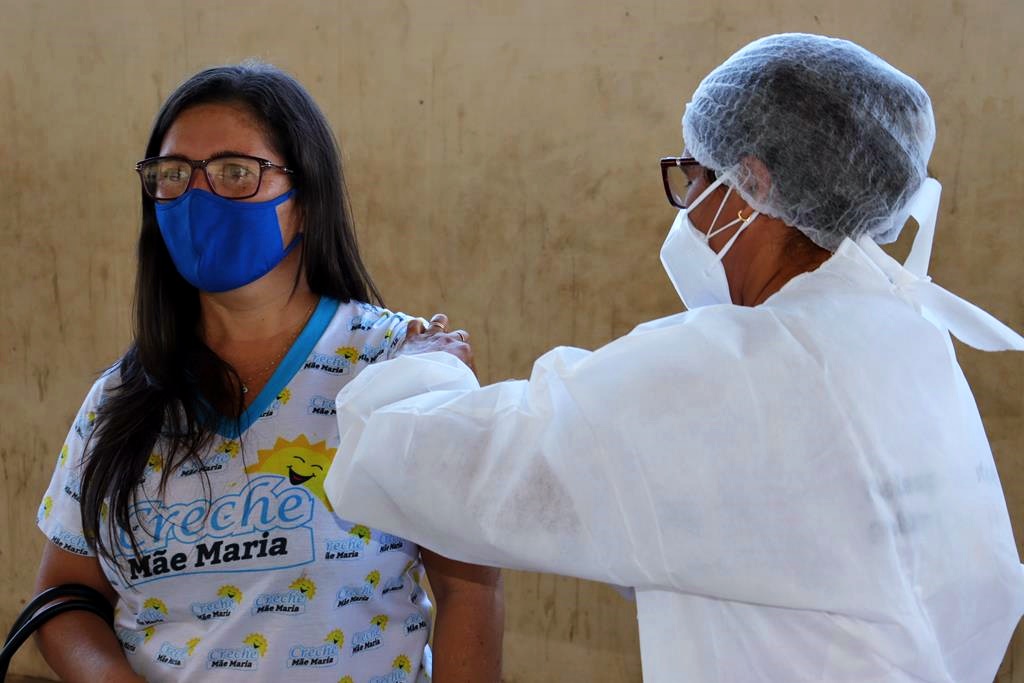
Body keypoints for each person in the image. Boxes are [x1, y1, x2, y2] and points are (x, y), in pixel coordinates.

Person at [324, 33, 1024, 682]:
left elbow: (460, 467)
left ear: (752, 186)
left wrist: (423, 364)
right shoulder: (902, 339)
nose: (687, 208)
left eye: (693, 178)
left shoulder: (739, 370)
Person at [34, 62, 503, 683]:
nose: (199, 196)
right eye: (174, 175)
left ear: (306, 199)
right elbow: (64, 597)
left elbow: (470, 589)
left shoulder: (400, 366)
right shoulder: (120, 396)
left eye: (236, 172)